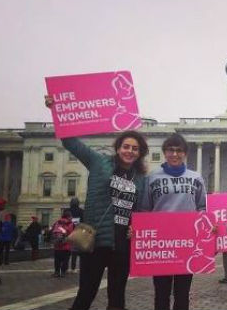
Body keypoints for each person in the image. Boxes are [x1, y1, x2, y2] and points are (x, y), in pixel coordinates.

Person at [46, 95, 148, 310]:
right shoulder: (98, 162)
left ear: (140, 153)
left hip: (122, 245)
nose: (130, 151)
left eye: (135, 148)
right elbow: (70, 142)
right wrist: (57, 111)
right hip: (95, 241)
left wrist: (135, 228)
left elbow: (140, 211)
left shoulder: (140, 178)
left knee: (117, 298)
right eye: (126, 146)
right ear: (118, 147)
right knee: (86, 294)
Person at [140, 133, 207, 310]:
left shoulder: (196, 178)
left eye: (179, 151)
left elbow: (202, 207)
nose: (175, 154)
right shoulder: (152, 178)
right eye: (171, 150)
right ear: (164, 152)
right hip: (160, 245)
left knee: (182, 294)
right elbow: (145, 210)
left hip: (187, 243)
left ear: (185, 153)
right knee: (161, 293)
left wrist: (207, 227)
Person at [51, 210, 74, 277]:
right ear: (68, 217)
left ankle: (57, 272)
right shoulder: (71, 224)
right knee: (65, 260)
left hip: (57, 245)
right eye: (71, 216)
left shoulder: (57, 222)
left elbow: (52, 231)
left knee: (57, 260)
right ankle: (63, 272)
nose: (72, 218)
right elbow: (71, 234)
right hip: (66, 246)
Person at [68, 197, 84, 272]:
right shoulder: (81, 211)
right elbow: (84, 222)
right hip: (79, 232)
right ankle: (79, 267)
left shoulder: (67, 211)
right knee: (80, 252)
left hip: (69, 233)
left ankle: (69, 267)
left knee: (69, 251)